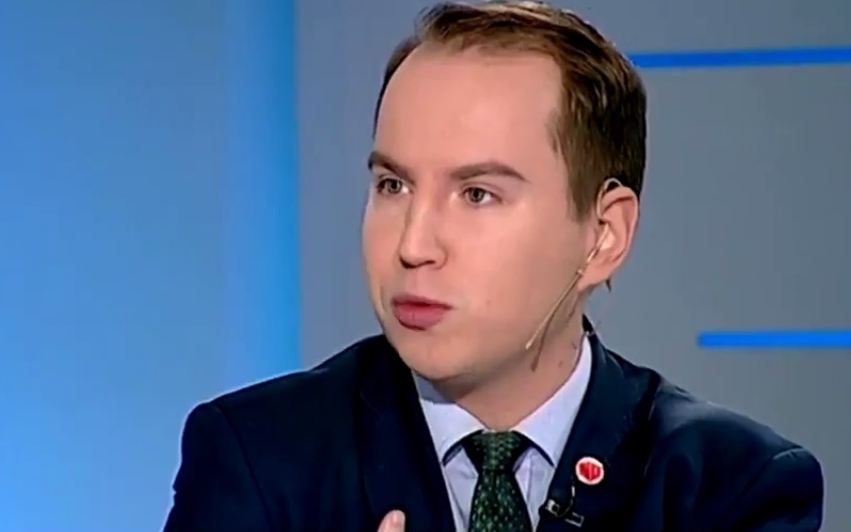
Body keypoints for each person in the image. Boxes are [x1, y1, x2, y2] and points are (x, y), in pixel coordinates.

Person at [163, 2, 824, 531]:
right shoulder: (259, 462)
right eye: (393, 185)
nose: (413, 244)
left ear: (603, 235)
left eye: (477, 194)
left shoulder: (727, 489)